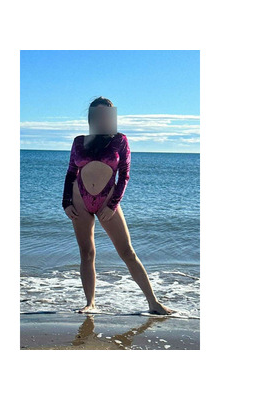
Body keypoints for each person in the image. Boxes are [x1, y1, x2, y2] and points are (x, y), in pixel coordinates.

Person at [62, 96, 175, 315]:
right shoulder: (79, 141)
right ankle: (90, 303)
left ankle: (153, 303)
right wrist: (66, 203)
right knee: (86, 253)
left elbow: (124, 175)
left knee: (127, 252)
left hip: (107, 200)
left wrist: (112, 205)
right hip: (79, 200)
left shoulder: (119, 140)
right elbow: (70, 173)